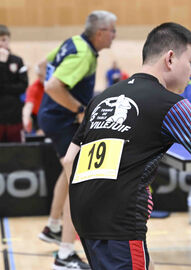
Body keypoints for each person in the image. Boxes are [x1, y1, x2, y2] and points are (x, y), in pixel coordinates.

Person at [63, 22, 191, 270]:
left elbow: (69, 160)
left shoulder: (101, 98)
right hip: (120, 221)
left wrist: (92, 198)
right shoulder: (171, 104)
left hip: (85, 217)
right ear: (170, 59)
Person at [37, 10, 117, 270]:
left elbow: (42, 67)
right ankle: (65, 254)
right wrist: (78, 110)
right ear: (101, 32)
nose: (115, 35)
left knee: (69, 172)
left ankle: (53, 226)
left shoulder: (74, 42)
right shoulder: (83, 54)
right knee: (79, 182)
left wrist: (54, 104)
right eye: (113, 30)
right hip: (63, 122)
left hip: (52, 117)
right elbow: (52, 86)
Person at [0, 24, 28, 142]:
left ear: (9, 40)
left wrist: (5, 88)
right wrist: (2, 64)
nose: (1, 43)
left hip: (15, 116)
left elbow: (23, 86)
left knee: (17, 153)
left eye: (4, 39)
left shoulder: (17, 60)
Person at [22, 66, 45, 134]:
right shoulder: (34, 88)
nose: (43, 78)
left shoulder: (55, 85)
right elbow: (29, 104)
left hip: (50, 113)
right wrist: (26, 118)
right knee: (41, 133)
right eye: (40, 76)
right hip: (37, 115)